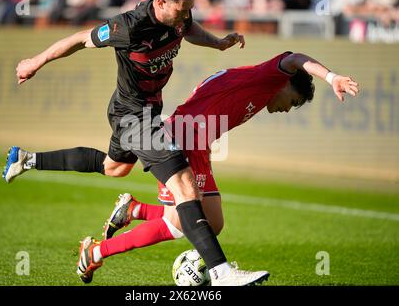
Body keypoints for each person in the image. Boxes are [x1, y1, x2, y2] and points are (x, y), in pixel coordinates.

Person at [3, 0, 263, 286]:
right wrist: (35, 62)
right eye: (180, 10)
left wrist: (218, 44)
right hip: (132, 116)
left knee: (114, 168)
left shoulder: (181, 13)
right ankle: (222, 273)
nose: (185, 16)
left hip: (145, 111)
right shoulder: (127, 26)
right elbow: (78, 39)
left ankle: (25, 159)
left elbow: (188, 28)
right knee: (185, 185)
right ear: (160, 2)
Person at [76, 51, 359, 285]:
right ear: (286, 84)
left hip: (197, 142)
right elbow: (296, 58)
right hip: (184, 138)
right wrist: (331, 77)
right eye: (293, 102)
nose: (287, 108)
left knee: (211, 222)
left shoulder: (259, 86)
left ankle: (132, 214)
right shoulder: (269, 76)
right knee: (179, 223)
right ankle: (100, 251)